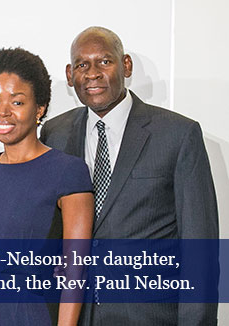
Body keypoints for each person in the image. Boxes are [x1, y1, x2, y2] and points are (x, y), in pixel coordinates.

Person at [40, 26, 219, 325]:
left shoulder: (177, 135)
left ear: (126, 65)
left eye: (104, 61)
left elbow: (199, 251)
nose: (93, 73)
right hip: (74, 315)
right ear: (70, 75)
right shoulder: (54, 133)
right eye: (82, 65)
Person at [0, 48, 94, 326]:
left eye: (17, 102)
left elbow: (76, 271)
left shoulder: (68, 171)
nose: (3, 112)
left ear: (39, 108)